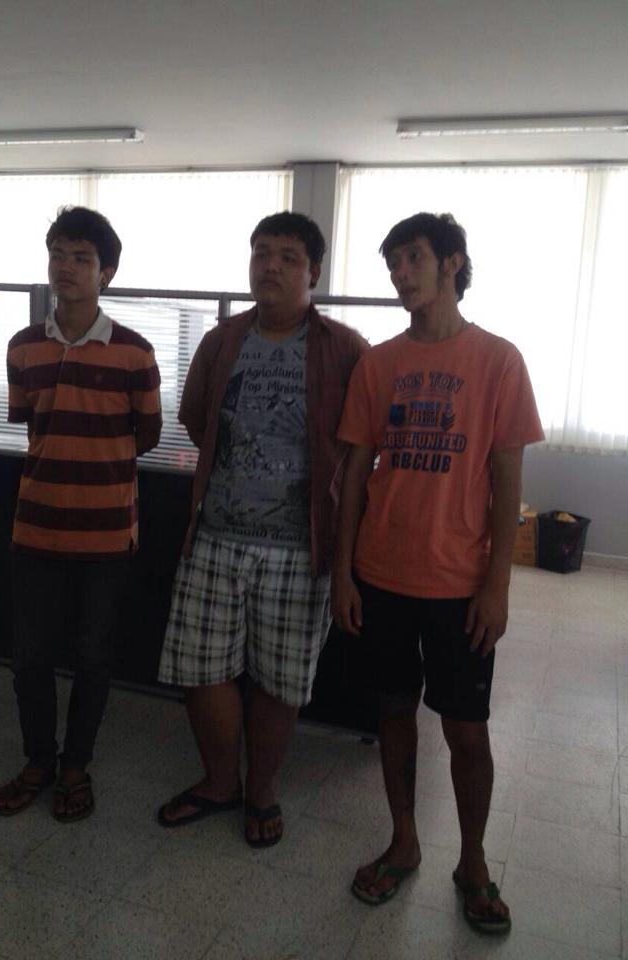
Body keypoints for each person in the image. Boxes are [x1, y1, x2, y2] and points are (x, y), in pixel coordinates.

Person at [332, 212, 543, 933]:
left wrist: (498, 584)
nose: (400, 274)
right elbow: (354, 476)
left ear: (452, 263)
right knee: (393, 714)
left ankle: (473, 861)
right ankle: (404, 840)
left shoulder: (499, 361)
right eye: (393, 263)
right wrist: (343, 572)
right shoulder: (378, 363)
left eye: (413, 258)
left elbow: (508, 479)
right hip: (381, 574)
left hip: (459, 586)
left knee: (467, 731)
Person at [157, 211, 368, 847]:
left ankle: (263, 790)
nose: (270, 266)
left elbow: (362, 447)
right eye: (261, 253)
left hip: (301, 549)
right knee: (201, 669)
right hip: (215, 537)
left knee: (280, 680)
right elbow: (197, 420)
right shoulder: (222, 341)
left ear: (313, 273)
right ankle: (221, 782)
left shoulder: (344, 348)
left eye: (287, 257)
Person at [0, 206, 162, 822]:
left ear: (106, 272)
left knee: (92, 657)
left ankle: (75, 767)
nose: (66, 267)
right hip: (36, 528)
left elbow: (148, 434)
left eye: (81, 258)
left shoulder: (134, 353)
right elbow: (31, 424)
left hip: (106, 534)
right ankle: (38, 761)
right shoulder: (23, 347)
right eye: (58, 255)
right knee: (30, 658)